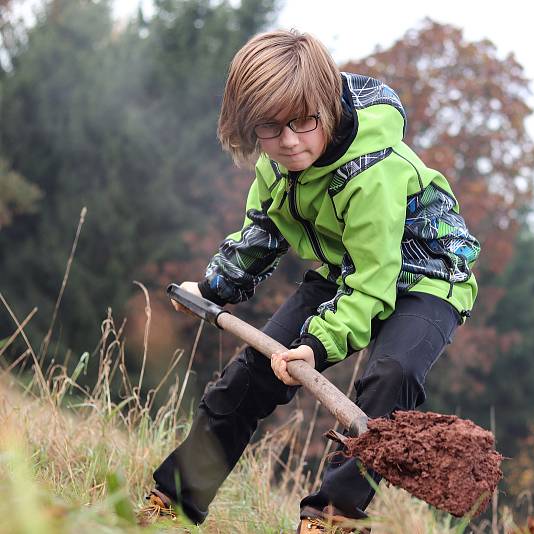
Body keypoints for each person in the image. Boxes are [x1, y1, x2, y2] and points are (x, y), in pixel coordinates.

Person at [137, 29, 480, 532]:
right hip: (348, 268)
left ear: (327, 108)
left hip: (428, 276)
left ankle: (330, 517)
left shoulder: (371, 172)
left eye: (303, 122)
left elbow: (373, 286)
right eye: (271, 129)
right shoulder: (275, 167)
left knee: (392, 376)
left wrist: (314, 348)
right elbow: (262, 231)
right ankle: (174, 500)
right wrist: (211, 289)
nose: (290, 140)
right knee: (251, 374)